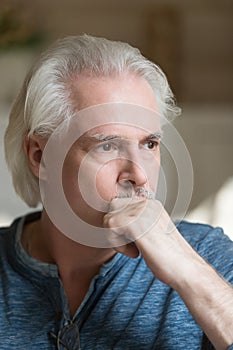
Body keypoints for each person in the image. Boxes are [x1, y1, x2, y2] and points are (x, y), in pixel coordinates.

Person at [1, 34, 233, 350]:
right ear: (40, 156)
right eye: (107, 146)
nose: (138, 175)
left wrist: (189, 273)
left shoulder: (208, 256)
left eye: (149, 144)